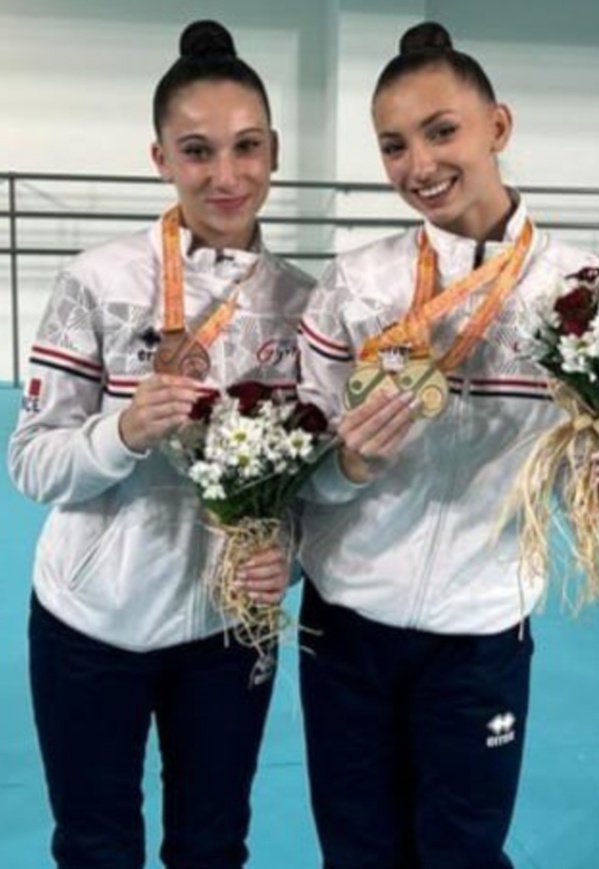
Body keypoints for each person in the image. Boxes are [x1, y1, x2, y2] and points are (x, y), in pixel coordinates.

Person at [296, 21, 599, 869]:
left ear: (498, 125)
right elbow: (299, 465)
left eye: (441, 130)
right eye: (392, 145)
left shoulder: (584, 291)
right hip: (346, 623)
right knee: (356, 851)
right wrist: (345, 465)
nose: (417, 165)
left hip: (480, 626)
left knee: (462, 850)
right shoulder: (356, 282)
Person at [7, 20, 314, 869]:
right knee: (97, 846)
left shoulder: (302, 302)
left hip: (226, 630)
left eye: (246, 147)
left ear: (274, 150)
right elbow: (32, 461)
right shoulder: (98, 281)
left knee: (213, 846)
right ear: (159, 159)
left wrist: (282, 554)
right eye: (197, 151)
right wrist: (122, 430)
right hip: (88, 625)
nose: (226, 175)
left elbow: (304, 481)